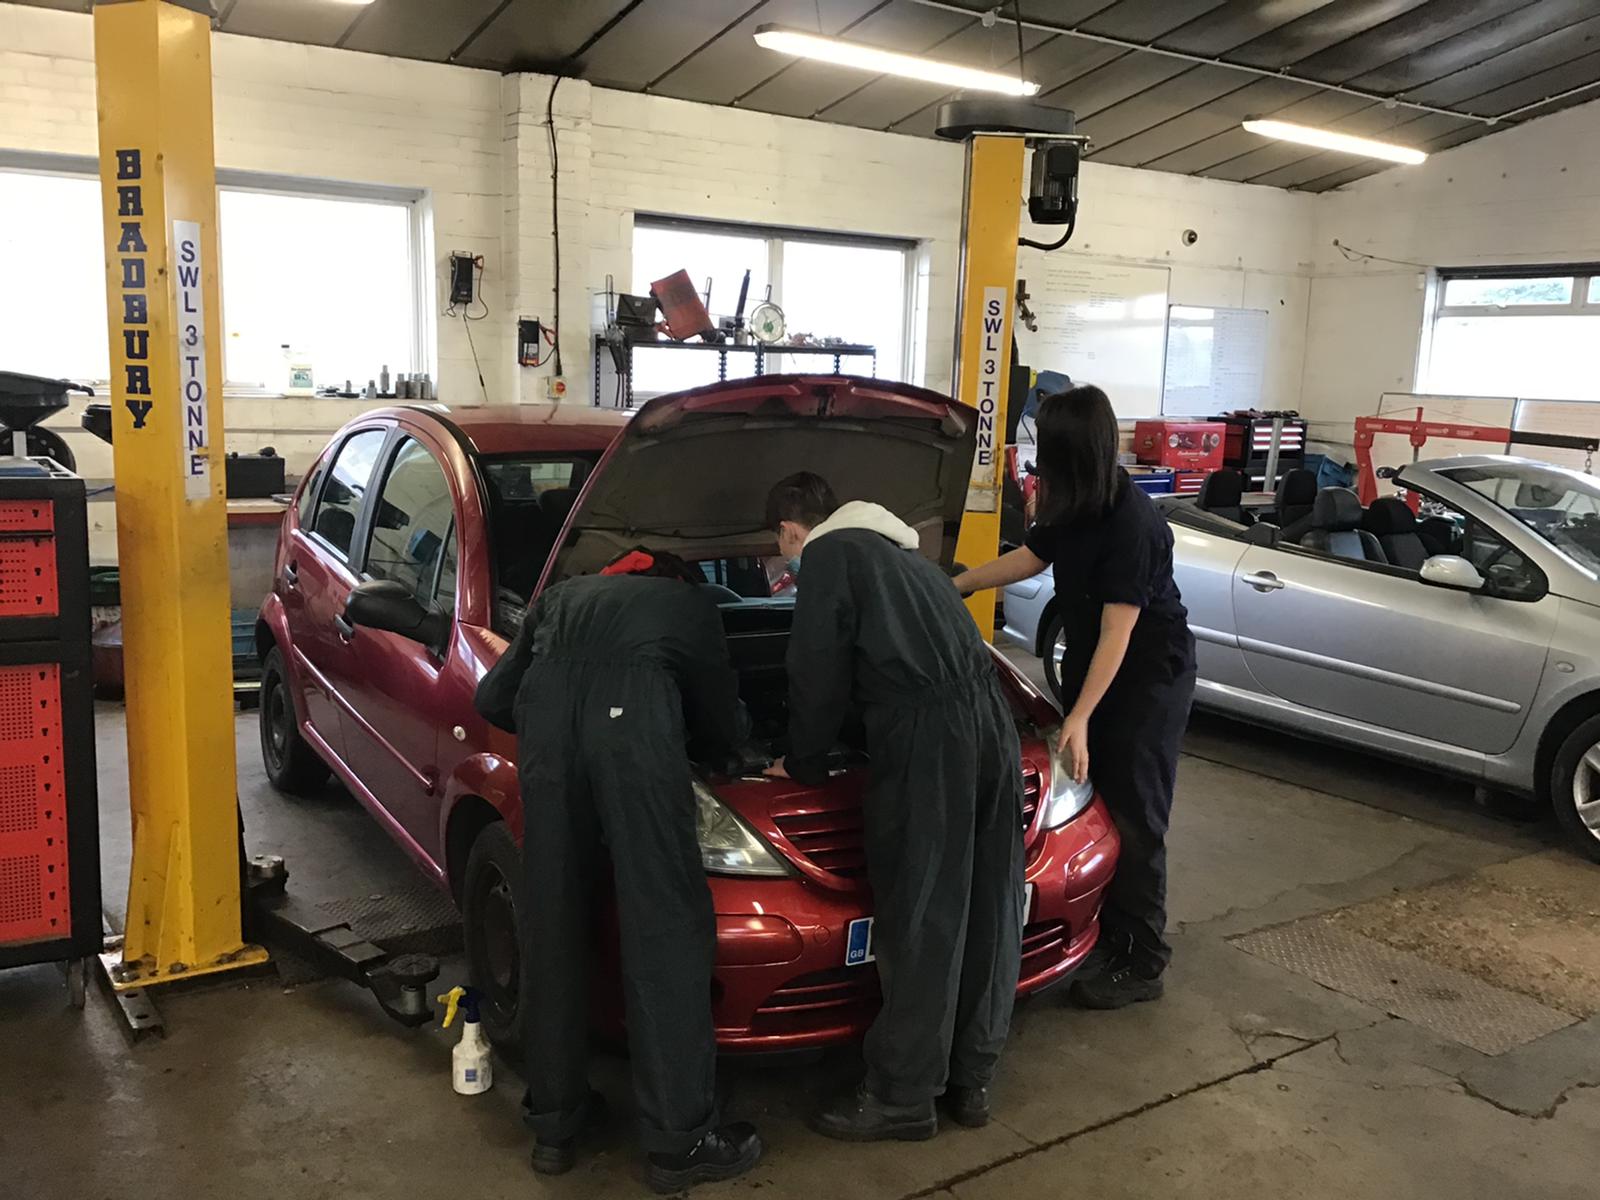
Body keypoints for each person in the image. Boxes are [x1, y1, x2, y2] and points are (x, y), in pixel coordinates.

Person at [473, 547, 762, 1193]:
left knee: (555, 921)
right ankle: (679, 1143)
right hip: (634, 744)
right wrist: (726, 749)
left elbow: (492, 698)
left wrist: (558, 725)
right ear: (677, 577)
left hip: (549, 747)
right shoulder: (688, 604)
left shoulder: (559, 599)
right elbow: (717, 713)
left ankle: (555, 1124)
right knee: (665, 928)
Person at [764, 473, 1025, 1141]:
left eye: (783, 548)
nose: (789, 561)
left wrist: (802, 761)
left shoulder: (827, 555)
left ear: (794, 534)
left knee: (922, 910)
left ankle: (904, 1094)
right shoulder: (907, 555)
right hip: (990, 724)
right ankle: (971, 1076)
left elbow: (814, 670)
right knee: (986, 901)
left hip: (928, 739)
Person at [953, 384, 1196, 1009]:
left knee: (1137, 814)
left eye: (1046, 453)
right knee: (1095, 801)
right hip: (1096, 664)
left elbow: (1121, 632)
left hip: (1147, 678)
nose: (1037, 465)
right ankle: (1104, 932)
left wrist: (1080, 718)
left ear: (1073, 454)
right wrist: (959, 584)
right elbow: (1032, 559)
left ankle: (1143, 961)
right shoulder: (1071, 507)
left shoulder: (1132, 523)